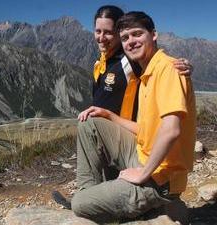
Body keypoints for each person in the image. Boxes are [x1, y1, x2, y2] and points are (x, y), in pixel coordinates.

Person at [52, 5, 192, 210]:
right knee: (88, 123)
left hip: (156, 169)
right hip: (136, 145)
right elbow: (148, 126)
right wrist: (107, 114)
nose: (102, 37)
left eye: (108, 32)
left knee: (82, 205)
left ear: (154, 35)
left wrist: (184, 66)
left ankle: (89, 201)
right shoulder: (107, 63)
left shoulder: (137, 62)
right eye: (98, 31)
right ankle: (90, 194)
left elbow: (171, 128)